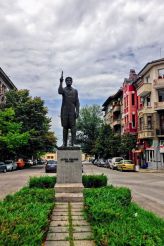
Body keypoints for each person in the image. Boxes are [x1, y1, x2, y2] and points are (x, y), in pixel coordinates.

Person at [58, 72, 80, 147]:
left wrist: (77, 111)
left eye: (70, 80)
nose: (69, 81)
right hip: (64, 110)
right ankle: (64, 144)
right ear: (65, 82)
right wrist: (60, 82)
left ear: (72, 82)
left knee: (73, 127)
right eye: (67, 80)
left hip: (72, 111)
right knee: (65, 127)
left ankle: (74, 143)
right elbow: (59, 91)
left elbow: (77, 101)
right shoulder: (63, 90)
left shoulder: (75, 91)